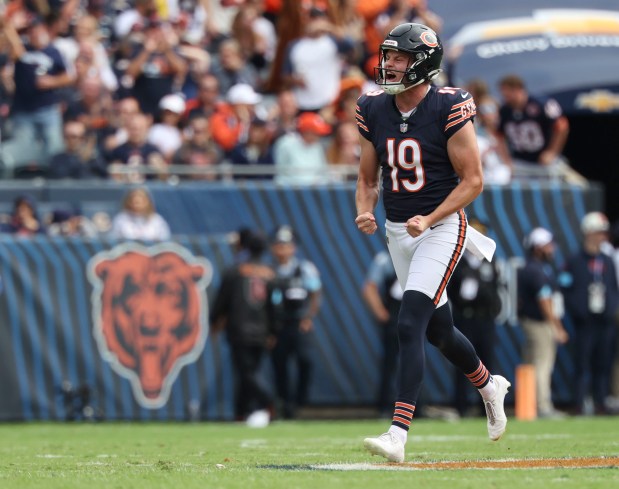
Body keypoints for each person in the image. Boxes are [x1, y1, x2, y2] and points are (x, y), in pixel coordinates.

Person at [354, 22, 510, 463]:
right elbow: (368, 178)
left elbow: (473, 181)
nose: (388, 64)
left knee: (409, 324)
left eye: (398, 57)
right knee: (440, 332)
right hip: (398, 229)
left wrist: (434, 216)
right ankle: (488, 385)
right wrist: (364, 209)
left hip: (442, 227)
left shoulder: (450, 104)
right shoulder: (372, 107)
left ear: (422, 62)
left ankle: (397, 433)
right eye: (387, 56)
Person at [210, 230, 275, 427]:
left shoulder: (235, 270)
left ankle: (269, 402)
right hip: (262, 330)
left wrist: (214, 321)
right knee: (249, 372)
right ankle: (241, 413)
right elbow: (274, 306)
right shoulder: (270, 272)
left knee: (246, 372)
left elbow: (222, 300)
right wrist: (273, 331)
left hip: (239, 329)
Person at [560, 212, 619, 415]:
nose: (602, 236)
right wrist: (579, 310)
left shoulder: (608, 260)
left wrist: (612, 309)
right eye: (598, 232)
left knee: (603, 364)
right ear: (588, 233)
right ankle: (579, 403)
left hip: (605, 321)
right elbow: (565, 288)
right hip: (585, 322)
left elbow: (612, 287)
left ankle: (601, 403)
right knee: (582, 364)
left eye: (603, 233)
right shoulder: (575, 260)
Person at [447, 219, 502, 417]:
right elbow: (451, 290)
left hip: (485, 319)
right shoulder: (458, 261)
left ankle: (486, 408)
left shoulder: (490, 260)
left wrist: (493, 306)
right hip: (465, 318)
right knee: (464, 361)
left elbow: (496, 287)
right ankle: (461, 406)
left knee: (487, 364)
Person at [269, 225, 322, 419]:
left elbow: (315, 293)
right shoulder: (270, 271)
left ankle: (301, 399)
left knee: (305, 360)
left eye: (287, 245)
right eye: (278, 245)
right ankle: (285, 403)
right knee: (280, 365)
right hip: (279, 324)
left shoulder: (304, 268)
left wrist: (308, 317)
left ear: (294, 247)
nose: (282, 249)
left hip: (300, 322)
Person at [517, 227, 569, 418]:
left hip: (533, 322)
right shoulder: (535, 270)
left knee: (532, 364)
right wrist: (557, 326)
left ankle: (529, 406)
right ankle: (543, 406)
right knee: (542, 364)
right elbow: (544, 301)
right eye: (548, 245)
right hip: (539, 324)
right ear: (538, 247)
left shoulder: (535, 267)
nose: (552, 248)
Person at [495, 75, 585, 184]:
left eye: (508, 94)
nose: (506, 98)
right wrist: (506, 159)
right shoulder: (504, 110)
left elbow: (562, 126)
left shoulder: (542, 104)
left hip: (544, 163)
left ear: (518, 90)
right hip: (520, 162)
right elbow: (499, 135)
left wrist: (552, 152)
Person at [362, 250, 402, 418]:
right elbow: (369, 287)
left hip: (414, 316)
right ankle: (385, 406)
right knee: (390, 363)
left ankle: (415, 407)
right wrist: (381, 313)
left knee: (414, 361)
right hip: (394, 317)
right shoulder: (386, 259)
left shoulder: (421, 254)